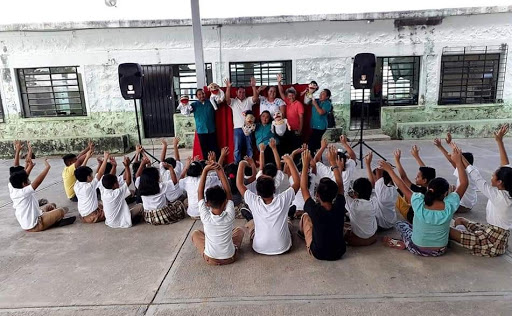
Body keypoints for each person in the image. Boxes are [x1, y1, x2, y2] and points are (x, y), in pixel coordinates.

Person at [381, 144, 468, 257]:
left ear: (429, 189)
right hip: (440, 250)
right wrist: (458, 162)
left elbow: (401, 185)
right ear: (446, 194)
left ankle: (405, 243)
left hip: (417, 248)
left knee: (401, 224)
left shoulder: (418, 202)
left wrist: (389, 170)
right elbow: (464, 183)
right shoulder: (449, 205)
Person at [450, 125, 512, 257]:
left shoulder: (499, 196)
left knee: (446, 230)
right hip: (491, 231)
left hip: (493, 242)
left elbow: (477, 177)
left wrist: (460, 159)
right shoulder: (506, 190)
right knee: (459, 220)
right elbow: (506, 166)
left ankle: (462, 239)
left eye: (493, 175)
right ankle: (464, 237)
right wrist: (499, 141)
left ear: (500, 182)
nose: (491, 176)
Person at [236, 154, 300, 256]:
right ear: (274, 189)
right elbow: (297, 182)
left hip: (259, 248)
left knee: (252, 226)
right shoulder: (282, 199)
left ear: (257, 192)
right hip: (283, 247)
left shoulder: (254, 200)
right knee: (288, 223)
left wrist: (241, 164)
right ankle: (288, 215)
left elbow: (239, 184)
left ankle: (250, 219)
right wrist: (290, 161)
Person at [191, 162, 245, 265]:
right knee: (239, 230)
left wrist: (205, 170)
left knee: (196, 233)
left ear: (207, 204)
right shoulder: (230, 215)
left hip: (211, 259)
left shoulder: (205, 217)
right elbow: (228, 191)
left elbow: (200, 192)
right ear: (225, 202)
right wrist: (220, 170)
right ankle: (234, 248)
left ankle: (212, 253)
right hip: (230, 258)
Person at [298, 147, 346, 260]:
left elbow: (303, 188)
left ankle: (302, 233)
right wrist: (333, 163)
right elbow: (340, 185)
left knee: (305, 217)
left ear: (317, 196)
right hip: (340, 252)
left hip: (318, 253)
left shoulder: (314, 210)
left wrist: (305, 166)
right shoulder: (339, 205)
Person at [9, 159, 75, 232]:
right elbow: (37, 182)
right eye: (28, 180)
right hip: (36, 224)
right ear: (24, 184)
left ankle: (52, 220)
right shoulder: (23, 192)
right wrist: (47, 167)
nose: (30, 181)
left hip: (36, 216)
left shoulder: (13, 187)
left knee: (52, 205)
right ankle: (54, 222)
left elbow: (23, 176)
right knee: (62, 211)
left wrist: (30, 166)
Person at [434, 133, 477, 213]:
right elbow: (451, 160)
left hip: (463, 205)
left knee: (438, 200)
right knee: (447, 187)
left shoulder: (466, 173)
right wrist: (447, 144)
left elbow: (451, 160)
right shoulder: (470, 169)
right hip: (468, 203)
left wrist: (442, 146)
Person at [137, 157, 186, 225]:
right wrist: (171, 168)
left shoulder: (140, 185)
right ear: (156, 178)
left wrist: (142, 164)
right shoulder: (160, 186)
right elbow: (174, 181)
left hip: (149, 217)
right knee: (179, 204)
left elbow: (137, 176)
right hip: (162, 215)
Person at [394, 147, 436, 223]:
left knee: (394, 193)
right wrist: (416, 156)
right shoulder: (433, 187)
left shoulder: (420, 191)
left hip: (411, 216)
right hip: (425, 214)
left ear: (424, 180)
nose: (415, 178)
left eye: (418, 177)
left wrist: (397, 161)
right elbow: (426, 171)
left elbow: (403, 178)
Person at [100, 157, 144, 228]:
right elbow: (128, 181)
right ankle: (136, 219)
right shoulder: (116, 193)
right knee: (141, 206)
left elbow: (110, 177)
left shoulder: (103, 192)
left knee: (129, 195)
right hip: (122, 222)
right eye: (117, 182)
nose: (118, 183)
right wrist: (127, 166)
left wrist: (114, 166)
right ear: (114, 185)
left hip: (110, 222)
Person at [225, 77, 259, 163]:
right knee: (237, 149)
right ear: (236, 92)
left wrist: (253, 87)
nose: (242, 94)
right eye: (240, 92)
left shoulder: (248, 100)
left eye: (243, 92)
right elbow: (227, 100)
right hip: (237, 128)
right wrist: (228, 88)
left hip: (249, 128)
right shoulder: (233, 101)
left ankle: (250, 165)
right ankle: (237, 166)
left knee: (250, 147)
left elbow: (255, 98)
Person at [74, 151, 110, 223]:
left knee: (101, 204)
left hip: (83, 215)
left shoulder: (77, 184)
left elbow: (80, 170)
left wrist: (99, 163)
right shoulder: (89, 187)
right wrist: (105, 159)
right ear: (88, 177)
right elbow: (100, 173)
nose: (93, 176)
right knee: (112, 211)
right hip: (92, 216)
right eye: (91, 175)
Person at [364, 152, 397, 230]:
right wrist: (368, 165)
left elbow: (375, 182)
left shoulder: (385, 191)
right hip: (389, 220)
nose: (372, 179)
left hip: (383, 224)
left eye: (374, 177)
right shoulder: (389, 188)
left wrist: (380, 171)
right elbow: (372, 182)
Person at [344, 176, 378, 246]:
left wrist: (352, 195)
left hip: (358, 236)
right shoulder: (374, 202)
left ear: (355, 193)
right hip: (372, 233)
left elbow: (345, 195)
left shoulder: (353, 205)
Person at [277, 73, 304, 152]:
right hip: (288, 130)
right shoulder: (287, 102)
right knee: (289, 149)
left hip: (296, 130)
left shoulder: (298, 104)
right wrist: (279, 82)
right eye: (289, 96)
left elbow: (301, 118)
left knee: (297, 149)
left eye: (292, 95)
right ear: (287, 96)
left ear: (295, 95)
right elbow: (281, 93)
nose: (291, 97)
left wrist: (300, 130)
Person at [191, 89, 220, 160]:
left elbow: (219, 102)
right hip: (201, 130)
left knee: (214, 148)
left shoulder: (211, 102)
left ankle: (217, 164)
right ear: (196, 96)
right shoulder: (194, 105)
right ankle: (206, 165)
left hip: (211, 129)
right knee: (204, 149)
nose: (202, 96)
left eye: (203, 94)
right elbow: (186, 111)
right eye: (199, 94)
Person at [308, 89, 333, 155]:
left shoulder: (327, 103)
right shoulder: (317, 101)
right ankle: (317, 158)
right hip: (314, 125)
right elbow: (308, 99)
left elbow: (321, 112)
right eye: (320, 93)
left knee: (312, 144)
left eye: (323, 94)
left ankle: (314, 158)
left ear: (327, 97)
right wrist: (310, 91)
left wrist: (315, 104)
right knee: (316, 144)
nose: (320, 95)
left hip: (320, 127)